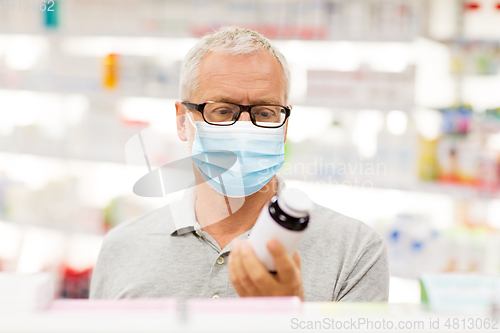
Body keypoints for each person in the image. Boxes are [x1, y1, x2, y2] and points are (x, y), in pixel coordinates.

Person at [90, 26, 389, 302]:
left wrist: (288, 316)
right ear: (182, 121)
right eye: (222, 110)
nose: (245, 129)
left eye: (265, 112)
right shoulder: (122, 247)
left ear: (284, 127)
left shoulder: (355, 251)